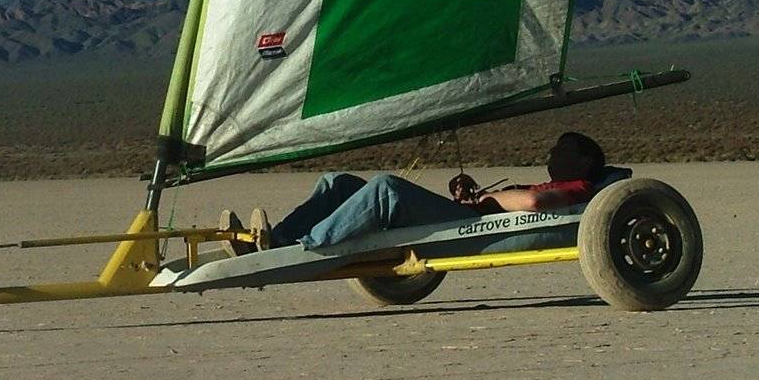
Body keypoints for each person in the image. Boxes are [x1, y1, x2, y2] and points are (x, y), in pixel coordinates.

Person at [246, 131, 609, 252]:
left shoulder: (577, 187)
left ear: (581, 162)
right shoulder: (553, 179)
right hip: (469, 216)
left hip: (475, 230)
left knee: (386, 189)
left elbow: (532, 203)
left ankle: (300, 247)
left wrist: (487, 200)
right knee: (335, 182)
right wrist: (473, 197)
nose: (550, 155)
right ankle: (274, 238)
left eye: (560, 151)